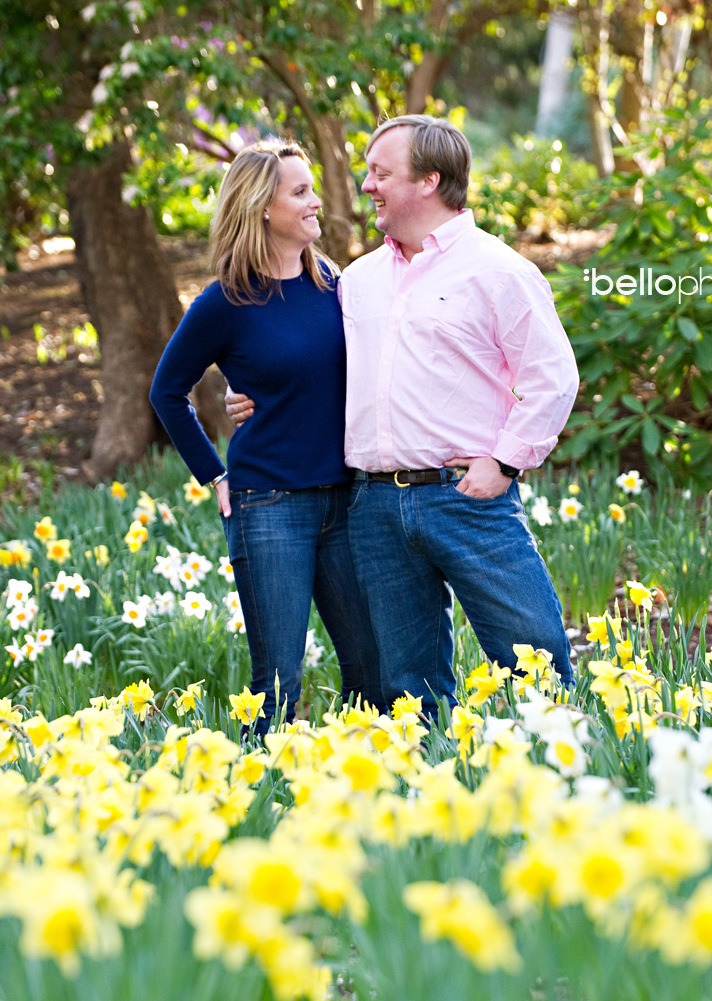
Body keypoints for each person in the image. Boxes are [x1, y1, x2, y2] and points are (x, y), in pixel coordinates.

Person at [226, 116, 577, 720]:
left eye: (380, 174)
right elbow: (315, 360)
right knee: (407, 690)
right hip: (374, 509)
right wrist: (260, 392)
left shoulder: (499, 270)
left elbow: (553, 376)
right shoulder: (356, 281)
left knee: (535, 659)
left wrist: (504, 462)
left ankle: (559, 760)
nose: (366, 186)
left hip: (466, 497)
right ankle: (428, 775)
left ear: (429, 181)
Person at [150, 140, 383, 732]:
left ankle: (365, 775)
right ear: (261, 207)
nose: (316, 202)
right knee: (277, 685)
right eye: (300, 192)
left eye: (312, 188)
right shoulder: (225, 302)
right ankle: (263, 782)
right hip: (270, 506)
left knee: (372, 671)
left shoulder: (334, 284)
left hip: (347, 501)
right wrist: (215, 474)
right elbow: (167, 392)